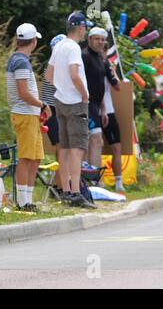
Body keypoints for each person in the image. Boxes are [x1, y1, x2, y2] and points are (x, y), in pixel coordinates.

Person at [45, 11, 96, 209]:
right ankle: (76, 193)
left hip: (61, 102)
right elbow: (75, 74)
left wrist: (62, 87)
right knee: (77, 149)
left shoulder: (58, 46)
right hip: (76, 102)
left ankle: (66, 191)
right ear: (81, 27)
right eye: (85, 28)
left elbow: (49, 75)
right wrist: (84, 94)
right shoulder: (74, 48)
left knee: (64, 149)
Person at [6, 23, 51, 211]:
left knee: (35, 157)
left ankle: (28, 200)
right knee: (26, 158)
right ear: (33, 42)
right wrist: (43, 105)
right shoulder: (21, 62)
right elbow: (23, 93)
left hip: (29, 114)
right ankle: (23, 202)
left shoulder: (17, 59)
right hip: (24, 114)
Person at [82, 27, 120, 182]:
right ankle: (92, 180)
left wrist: (103, 110)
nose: (100, 42)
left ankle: (93, 180)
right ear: (89, 39)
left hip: (96, 105)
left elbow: (109, 86)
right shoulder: (84, 56)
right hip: (85, 103)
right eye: (97, 39)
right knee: (94, 140)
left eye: (103, 40)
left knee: (96, 141)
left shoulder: (101, 60)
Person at [41, 34, 66, 194]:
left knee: (62, 150)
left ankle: (59, 185)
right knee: (62, 148)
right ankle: (60, 186)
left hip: (57, 109)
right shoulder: (53, 67)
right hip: (52, 109)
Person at [100, 43, 126, 193]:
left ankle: (118, 182)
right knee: (93, 146)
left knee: (116, 147)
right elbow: (117, 85)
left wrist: (113, 70)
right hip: (95, 110)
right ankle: (96, 181)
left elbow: (117, 86)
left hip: (108, 110)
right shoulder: (91, 63)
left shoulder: (106, 66)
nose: (104, 55)